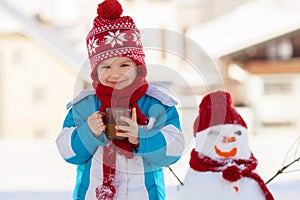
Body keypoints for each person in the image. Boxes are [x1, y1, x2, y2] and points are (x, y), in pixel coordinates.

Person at [56, 0, 184, 199]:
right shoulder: (85, 105)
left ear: (139, 66)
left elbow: (174, 149)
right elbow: (68, 152)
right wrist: (87, 132)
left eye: (124, 65)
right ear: (95, 72)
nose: (115, 74)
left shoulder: (157, 104)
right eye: (106, 67)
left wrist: (140, 137)